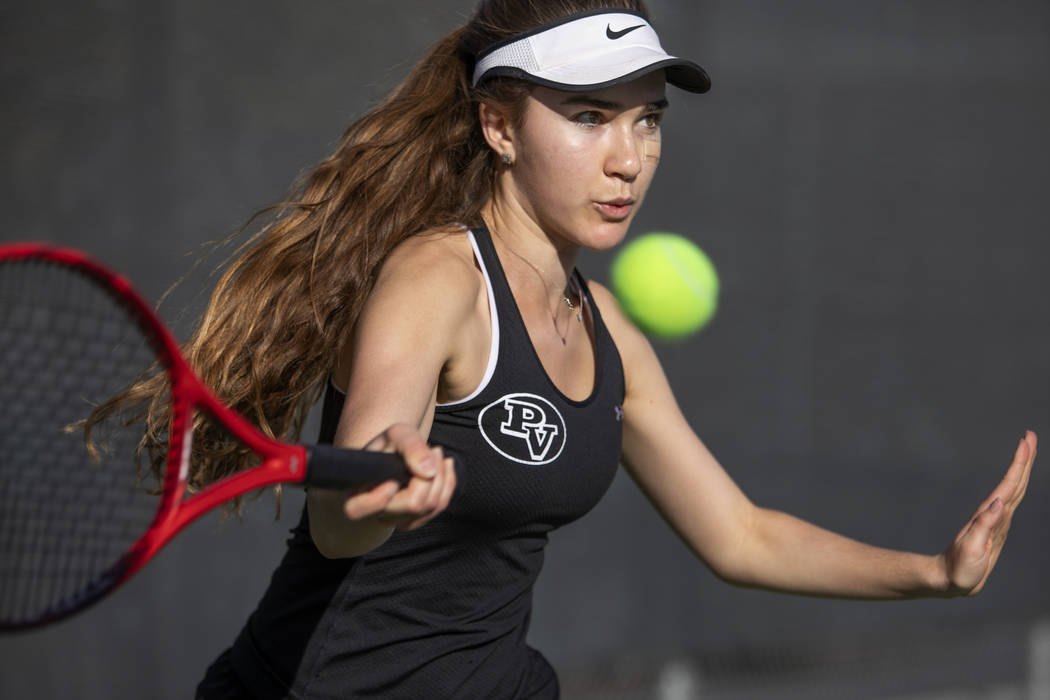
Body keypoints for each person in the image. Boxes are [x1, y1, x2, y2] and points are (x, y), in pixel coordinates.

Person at [188, 1, 1038, 697]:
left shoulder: (607, 327)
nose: (629, 159)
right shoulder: (437, 276)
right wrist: (380, 484)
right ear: (500, 126)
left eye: (647, 122)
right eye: (591, 118)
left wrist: (933, 572)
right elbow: (340, 522)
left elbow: (739, 534)